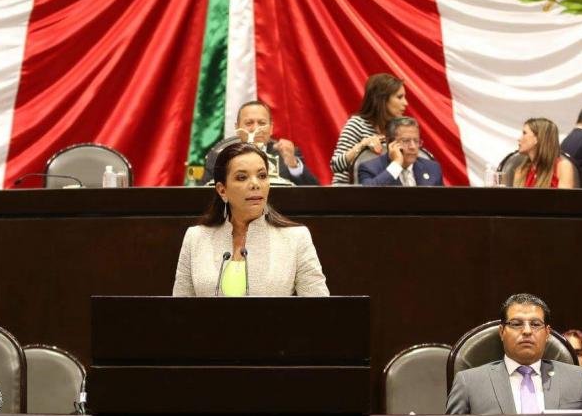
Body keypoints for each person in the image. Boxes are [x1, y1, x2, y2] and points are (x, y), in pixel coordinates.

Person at [173, 142, 329, 297]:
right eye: (242, 177)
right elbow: (179, 308)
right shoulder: (195, 238)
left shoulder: (296, 238)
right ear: (222, 190)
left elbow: (318, 307)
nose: (255, 184)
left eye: (262, 176)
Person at [446, 293, 582, 414]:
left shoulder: (578, 380)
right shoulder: (469, 383)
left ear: (547, 333)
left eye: (535, 324)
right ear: (502, 332)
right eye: (516, 324)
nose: (527, 331)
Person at [203, 100, 319, 186]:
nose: (256, 128)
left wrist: (293, 165)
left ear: (271, 128)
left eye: (262, 123)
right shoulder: (219, 155)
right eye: (249, 123)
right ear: (237, 128)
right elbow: (203, 193)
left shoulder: (287, 154)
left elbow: (314, 193)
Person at [330, 73, 408, 184]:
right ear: (382, 100)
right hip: (349, 190)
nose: (406, 103)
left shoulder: (397, 129)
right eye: (399, 97)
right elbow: (335, 165)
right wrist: (362, 146)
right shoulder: (357, 124)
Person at [358, 117, 443, 186]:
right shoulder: (369, 168)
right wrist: (396, 164)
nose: (413, 147)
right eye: (406, 141)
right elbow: (368, 195)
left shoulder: (432, 168)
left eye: (416, 141)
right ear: (390, 143)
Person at [513, 117, 574, 189]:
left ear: (538, 138)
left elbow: (565, 196)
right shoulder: (521, 171)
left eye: (524, 133)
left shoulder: (563, 167)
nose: (519, 139)